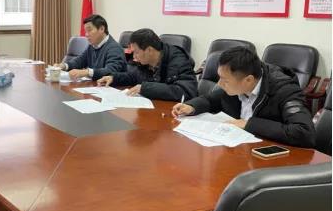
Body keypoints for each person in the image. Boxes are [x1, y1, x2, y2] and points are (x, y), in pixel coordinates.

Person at [171, 46, 315, 148]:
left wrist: (248, 124)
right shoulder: (237, 83)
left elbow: (304, 132)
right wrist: (191, 106)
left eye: (225, 80)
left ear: (248, 80)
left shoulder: (285, 90)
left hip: (271, 157)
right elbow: (212, 99)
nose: (219, 84)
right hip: (239, 148)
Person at [97, 28, 198, 101]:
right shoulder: (146, 61)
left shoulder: (178, 60)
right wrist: (113, 78)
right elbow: (134, 76)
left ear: (149, 50)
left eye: (136, 52)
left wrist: (146, 88)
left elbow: (186, 91)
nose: (134, 56)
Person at [55, 14, 127, 81]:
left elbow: (111, 71)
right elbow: (79, 61)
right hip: (96, 85)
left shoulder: (115, 48)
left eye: (89, 30)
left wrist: (87, 72)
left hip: (111, 88)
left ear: (102, 29)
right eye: (85, 31)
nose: (86, 34)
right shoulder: (92, 46)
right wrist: (63, 66)